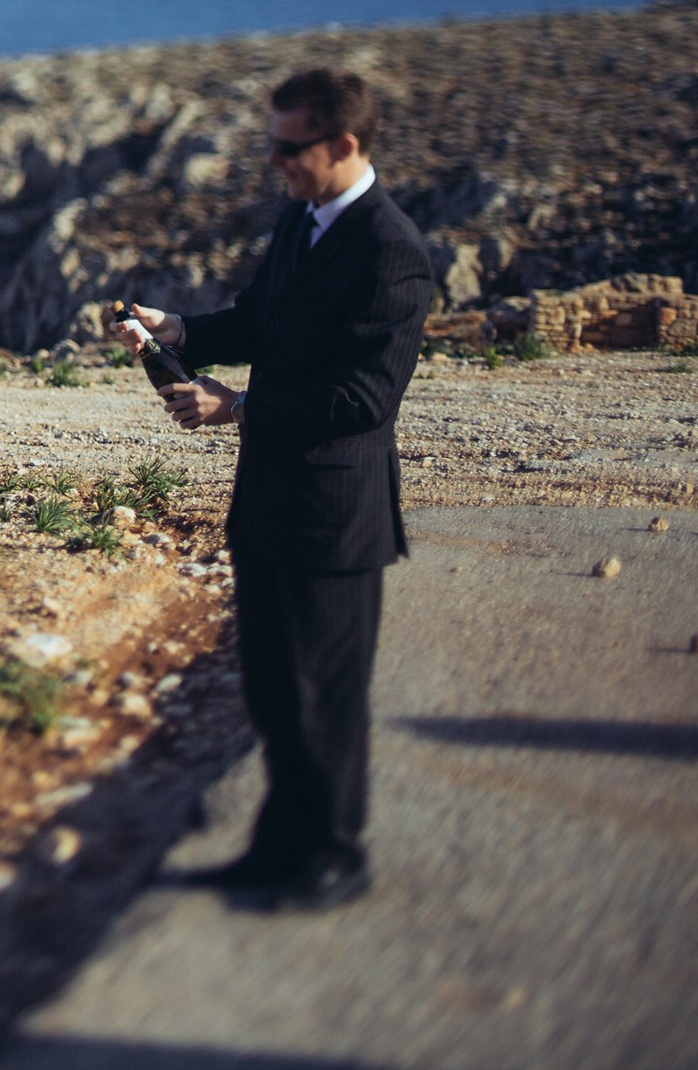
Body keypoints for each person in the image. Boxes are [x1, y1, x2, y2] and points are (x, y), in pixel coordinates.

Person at [111, 66, 433, 911]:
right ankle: (277, 846)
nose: (275, 162)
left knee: (327, 693)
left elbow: (366, 397)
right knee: (272, 684)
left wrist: (238, 406)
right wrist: (175, 328)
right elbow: (257, 320)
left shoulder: (392, 250)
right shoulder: (305, 220)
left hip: (335, 515)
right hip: (269, 503)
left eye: (289, 148)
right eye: (272, 144)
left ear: (344, 144)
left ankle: (333, 853)